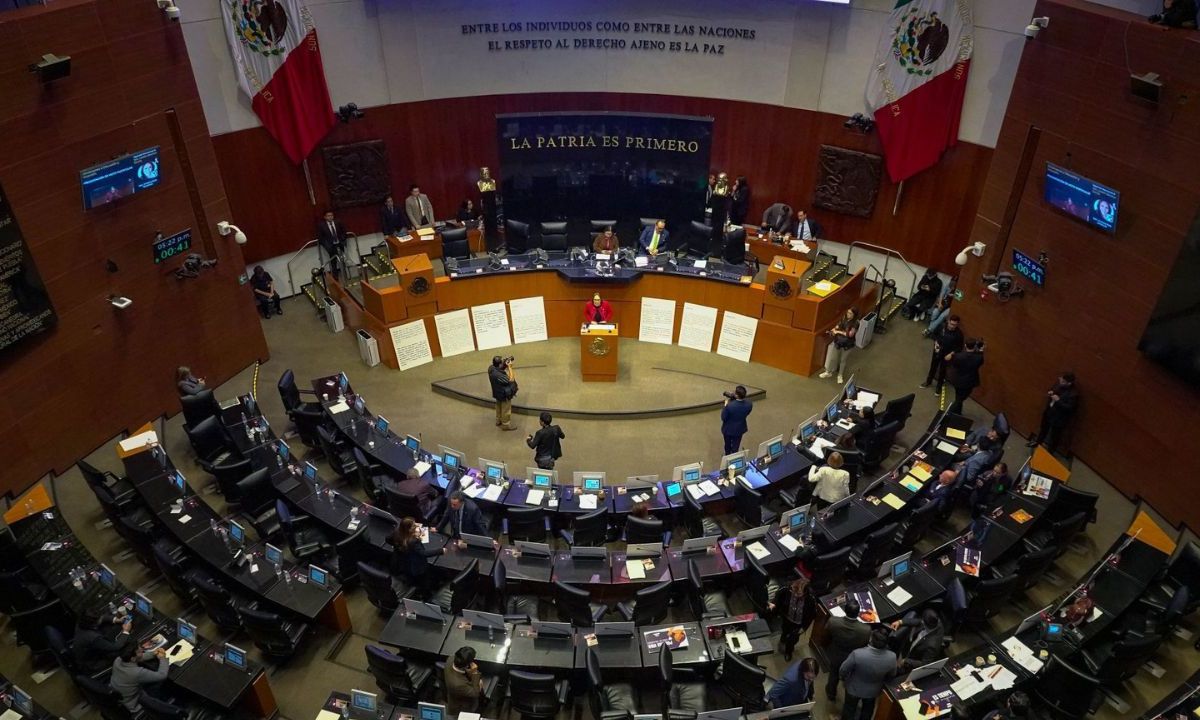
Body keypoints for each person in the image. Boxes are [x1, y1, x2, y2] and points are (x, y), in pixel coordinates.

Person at [839, 629, 897, 720]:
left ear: (871, 639)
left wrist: (843, 678)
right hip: (873, 691)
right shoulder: (892, 657)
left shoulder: (857, 654)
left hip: (853, 688)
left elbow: (843, 669)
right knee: (867, 711)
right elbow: (892, 674)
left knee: (849, 709)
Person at [823, 599, 870, 700]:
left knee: (833, 674)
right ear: (858, 613)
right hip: (853, 658)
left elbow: (826, 634)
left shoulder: (833, 621)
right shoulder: (865, 630)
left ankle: (831, 694)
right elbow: (864, 645)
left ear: (845, 610)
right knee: (850, 677)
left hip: (836, 654)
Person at [391, 517, 446, 596]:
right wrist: (441, 551)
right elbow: (424, 553)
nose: (416, 525)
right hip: (418, 567)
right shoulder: (413, 541)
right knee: (424, 583)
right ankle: (427, 595)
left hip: (406, 564)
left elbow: (388, 539)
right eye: (414, 525)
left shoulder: (397, 533)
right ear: (409, 529)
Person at [1027, 371, 1079, 453]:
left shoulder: (1073, 394)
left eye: (1062, 381)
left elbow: (1069, 408)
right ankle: (1038, 442)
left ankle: (1050, 452)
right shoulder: (1059, 384)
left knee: (1055, 436)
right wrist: (1051, 392)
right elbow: (1052, 389)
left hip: (1059, 418)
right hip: (1049, 411)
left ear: (1069, 383)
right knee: (1043, 428)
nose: (1060, 382)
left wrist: (1058, 401)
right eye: (1060, 380)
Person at [110, 643, 168, 712]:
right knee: (160, 682)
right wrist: (162, 658)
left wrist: (153, 654)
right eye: (139, 651)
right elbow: (162, 675)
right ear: (133, 658)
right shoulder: (137, 673)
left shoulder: (118, 659)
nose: (142, 649)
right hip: (132, 703)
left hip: (119, 694)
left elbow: (139, 658)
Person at [73, 608, 131, 675]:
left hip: (86, 655)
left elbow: (103, 617)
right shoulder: (93, 638)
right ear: (94, 623)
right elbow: (115, 647)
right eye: (100, 618)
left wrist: (116, 620)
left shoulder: (81, 622)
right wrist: (126, 631)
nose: (102, 617)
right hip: (92, 664)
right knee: (125, 650)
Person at [768, 575, 811, 661]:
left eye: (798, 593)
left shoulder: (811, 599)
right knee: (784, 631)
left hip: (799, 623)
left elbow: (811, 615)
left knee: (793, 639)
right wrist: (774, 603)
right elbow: (778, 595)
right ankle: (782, 641)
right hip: (787, 618)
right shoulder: (788, 588)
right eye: (793, 591)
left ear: (805, 592)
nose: (794, 594)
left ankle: (788, 651)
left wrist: (804, 627)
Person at [921, 315, 963, 393]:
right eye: (951, 324)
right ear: (948, 321)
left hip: (947, 355)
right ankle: (928, 382)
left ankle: (938, 387)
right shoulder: (941, 327)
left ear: (957, 324)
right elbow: (934, 335)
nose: (952, 326)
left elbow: (959, 347)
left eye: (954, 325)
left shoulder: (959, 334)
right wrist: (936, 343)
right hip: (937, 351)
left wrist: (951, 354)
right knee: (933, 367)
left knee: (942, 371)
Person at [946, 337, 985, 415]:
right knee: (959, 400)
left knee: (958, 397)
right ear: (974, 347)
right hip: (969, 382)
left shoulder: (958, 356)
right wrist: (981, 351)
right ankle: (949, 414)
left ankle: (957, 413)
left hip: (957, 380)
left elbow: (954, 364)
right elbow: (980, 362)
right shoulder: (978, 358)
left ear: (965, 345)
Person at [820, 307, 859, 383]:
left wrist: (838, 332)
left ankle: (840, 375)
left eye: (850, 313)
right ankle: (828, 372)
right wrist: (834, 329)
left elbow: (850, 334)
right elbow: (838, 326)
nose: (848, 314)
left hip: (848, 344)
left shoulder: (856, 323)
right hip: (838, 341)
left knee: (843, 360)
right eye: (848, 312)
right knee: (833, 358)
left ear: (854, 314)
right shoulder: (844, 319)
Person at [444, 646, 483, 715]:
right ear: (467, 665)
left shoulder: (450, 659)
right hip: (462, 708)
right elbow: (475, 693)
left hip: (453, 695)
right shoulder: (458, 685)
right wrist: (474, 673)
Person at [720, 385, 753, 454]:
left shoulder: (729, 406)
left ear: (737, 395)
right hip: (740, 428)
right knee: (736, 445)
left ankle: (727, 456)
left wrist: (725, 405)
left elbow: (723, 417)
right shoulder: (749, 404)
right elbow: (747, 413)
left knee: (727, 445)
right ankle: (734, 457)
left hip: (728, 429)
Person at [488, 355, 517, 431]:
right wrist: (510, 367)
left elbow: (499, 368)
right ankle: (506, 425)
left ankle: (498, 421)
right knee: (506, 410)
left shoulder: (491, 368)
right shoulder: (499, 375)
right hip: (504, 394)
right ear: (500, 364)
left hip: (497, 392)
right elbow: (511, 380)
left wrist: (504, 365)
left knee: (498, 407)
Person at [316, 210, 348, 277]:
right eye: (328, 216)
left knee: (343, 259)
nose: (330, 217)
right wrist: (327, 246)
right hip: (331, 246)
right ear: (325, 217)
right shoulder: (322, 225)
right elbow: (320, 237)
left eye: (331, 215)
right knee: (333, 261)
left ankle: (346, 274)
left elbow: (344, 232)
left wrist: (342, 240)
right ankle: (335, 277)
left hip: (340, 244)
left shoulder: (338, 222)